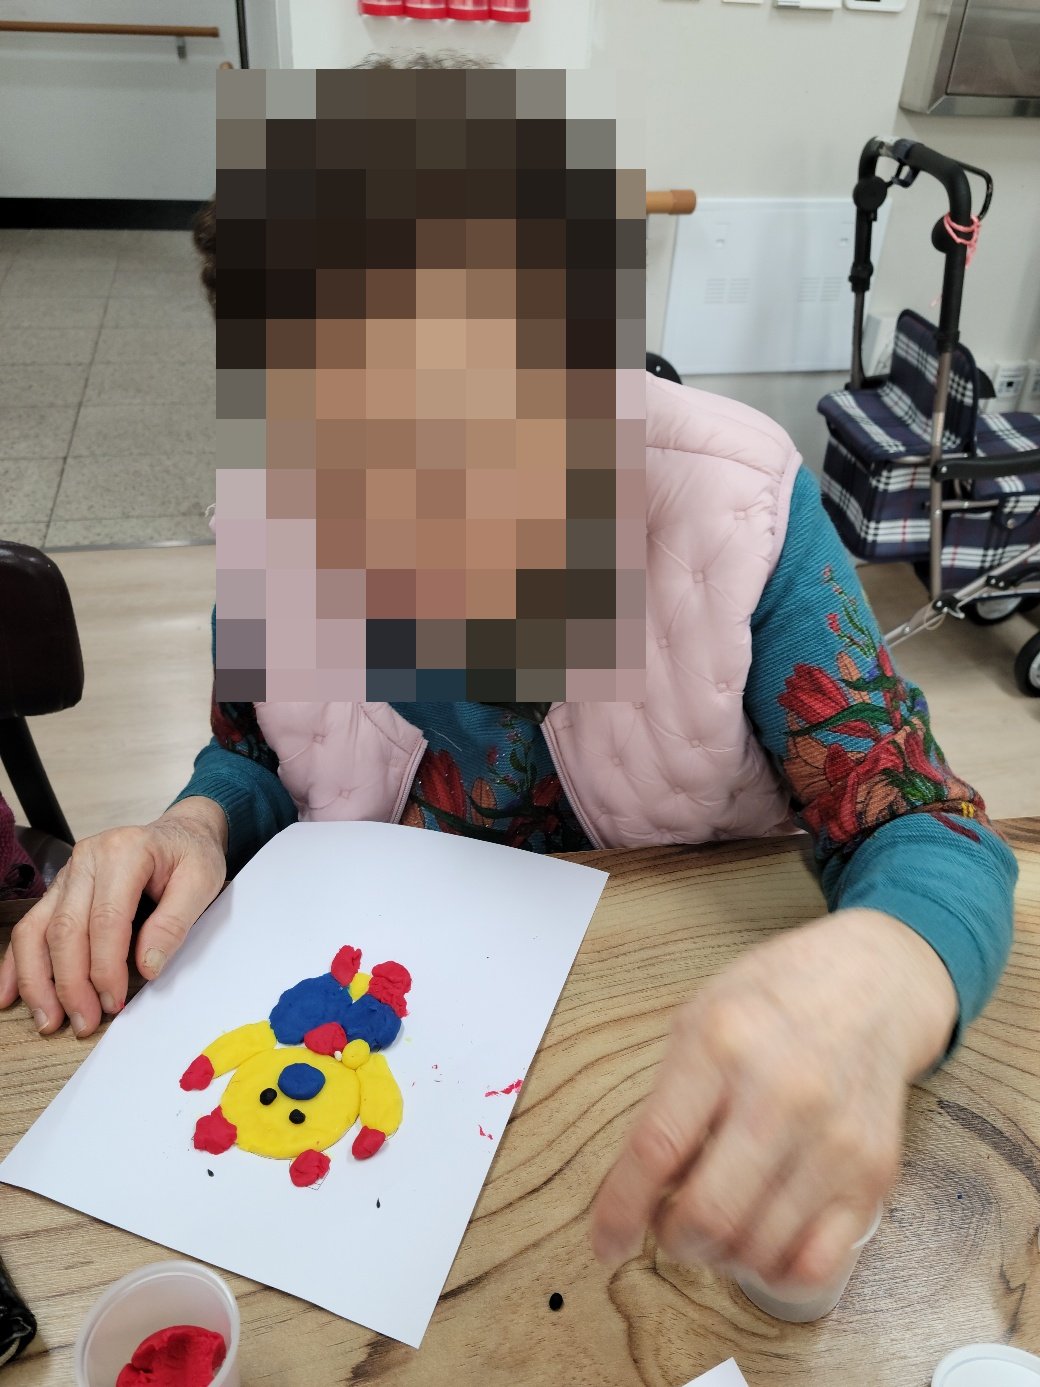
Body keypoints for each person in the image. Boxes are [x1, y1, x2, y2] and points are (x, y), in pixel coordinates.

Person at [0, 53, 1017, 1298]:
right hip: (395, 1080)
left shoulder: (732, 512)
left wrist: (888, 965)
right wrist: (195, 822)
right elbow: (258, 753)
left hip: (660, 1072)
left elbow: (922, 824)